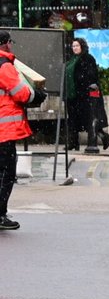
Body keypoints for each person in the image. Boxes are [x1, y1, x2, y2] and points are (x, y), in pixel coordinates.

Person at [0, 31, 42, 232]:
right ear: (5, 44)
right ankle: (0, 214)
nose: (11, 45)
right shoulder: (4, 66)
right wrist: (36, 95)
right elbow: (21, 93)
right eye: (10, 42)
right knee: (6, 172)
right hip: (3, 130)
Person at [63, 36, 109, 153]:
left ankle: (101, 137)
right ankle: (73, 142)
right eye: (73, 46)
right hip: (72, 95)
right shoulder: (71, 60)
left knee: (88, 118)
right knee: (72, 119)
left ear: (82, 46)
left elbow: (92, 76)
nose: (75, 48)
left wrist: (86, 88)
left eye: (77, 46)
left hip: (84, 95)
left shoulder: (88, 58)